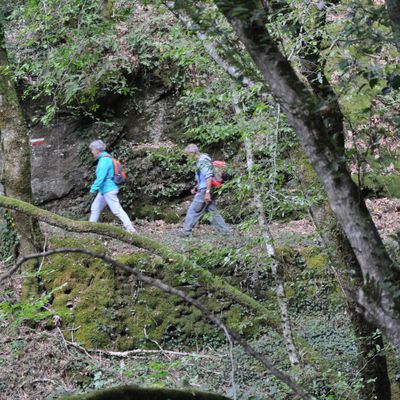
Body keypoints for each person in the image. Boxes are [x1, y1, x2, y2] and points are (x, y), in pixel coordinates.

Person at [180, 144, 230, 237]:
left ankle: (185, 233)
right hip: (207, 188)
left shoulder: (201, 161)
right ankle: (225, 232)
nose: (188, 157)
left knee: (193, 211)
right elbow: (203, 178)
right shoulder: (204, 158)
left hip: (205, 190)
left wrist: (207, 192)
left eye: (188, 155)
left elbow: (208, 177)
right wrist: (196, 187)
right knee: (212, 211)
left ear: (192, 153)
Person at [88, 140, 136, 233]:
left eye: (92, 150)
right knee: (95, 207)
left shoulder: (104, 160)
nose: (92, 152)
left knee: (117, 210)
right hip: (104, 190)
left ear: (97, 150)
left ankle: (131, 229)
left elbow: (101, 177)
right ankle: (90, 229)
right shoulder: (106, 158)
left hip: (108, 190)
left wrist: (93, 189)